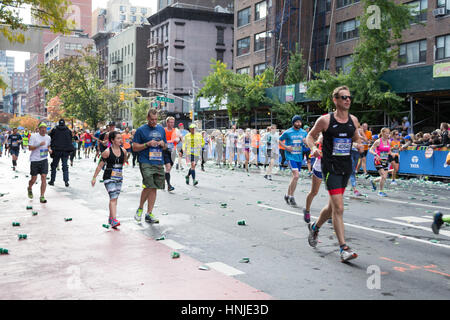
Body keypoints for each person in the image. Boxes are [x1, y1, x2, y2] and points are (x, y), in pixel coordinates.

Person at [306, 86, 362, 262]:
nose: (347, 100)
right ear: (335, 100)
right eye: (344, 97)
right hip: (330, 168)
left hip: (346, 167)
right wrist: (314, 148)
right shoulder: (325, 121)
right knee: (339, 208)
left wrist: (359, 144)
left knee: (331, 208)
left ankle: (315, 227)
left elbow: (356, 138)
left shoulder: (353, 120)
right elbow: (309, 136)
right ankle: (343, 248)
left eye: (349, 97)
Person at [132, 109, 167, 224]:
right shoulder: (141, 130)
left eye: (156, 119)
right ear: (147, 118)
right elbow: (134, 147)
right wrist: (147, 144)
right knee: (148, 184)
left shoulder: (161, 129)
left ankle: (149, 213)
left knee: (154, 187)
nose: (154, 122)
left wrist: (163, 144)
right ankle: (140, 208)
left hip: (158, 161)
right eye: (152, 119)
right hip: (145, 160)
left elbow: (166, 146)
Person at [92, 131, 127, 229]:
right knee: (113, 197)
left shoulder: (124, 151)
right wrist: (94, 177)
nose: (121, 140)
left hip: (119, 177)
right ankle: (114, 219)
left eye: (121, 138)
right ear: (112, 140)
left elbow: (124, 161)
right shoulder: (107, 152)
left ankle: (111, 218)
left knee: (115, 198)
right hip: (108, 177)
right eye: (118, 138)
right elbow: (100, 166)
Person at [279, 115, 308, 207]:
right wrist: (286, 147)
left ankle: (287, 195)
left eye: (300, 122)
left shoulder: (304, 132)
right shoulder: (288, 132)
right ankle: (291, 196)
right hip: (290, 157)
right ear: (293, 123)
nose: (299, 123)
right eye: (297, 122)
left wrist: (306, 142)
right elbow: (279, 140)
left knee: (294, 177)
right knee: (296, 176)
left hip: (299, 157)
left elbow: (307, 145)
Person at [27, 123, 51, 203]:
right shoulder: (34, 136)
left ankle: (42, 196)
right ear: (39, 129)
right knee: (34, 179)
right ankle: (30, 187)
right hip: (34, 160)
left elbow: (48, 146)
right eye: (42, 128)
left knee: (44, 176)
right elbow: (30, 148)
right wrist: (39, 145)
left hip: (44, 159)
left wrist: (49, 150)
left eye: (45, 128)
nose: (44, 129)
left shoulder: (48, 137)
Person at [48, 119, 74, 187]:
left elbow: (49, 136)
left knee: (54, 166)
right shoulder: (68, 130)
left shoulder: (55, 129)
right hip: (65, 151)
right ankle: (66, 181)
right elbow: (70, 139)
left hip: (56, 150)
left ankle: (52, 181)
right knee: (65, 166)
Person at [369, 128, 391, 197]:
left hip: (385, 160)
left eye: (388, 133)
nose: (388, 134)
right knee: (383, 176)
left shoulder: (389, 141)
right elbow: (371, 149)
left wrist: (392, 154)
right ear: (383, 133)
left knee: (384, 177)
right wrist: (375, 154)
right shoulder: (378, 141)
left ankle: (374, 181)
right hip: (378, 160)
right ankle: (380, 191)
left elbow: (388, 151)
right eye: (387, 133)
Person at [163, 116, 178, 191]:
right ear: (167, 123)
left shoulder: (175, 130)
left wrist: (178, 140)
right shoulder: (163, 130)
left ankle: (163, 179)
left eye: (173, 122)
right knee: (168, 168)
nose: (172, 124)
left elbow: (180, 138)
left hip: (172, 152)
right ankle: (169, 185)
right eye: (170, 122)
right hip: (165, 151)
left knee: (169, 169)